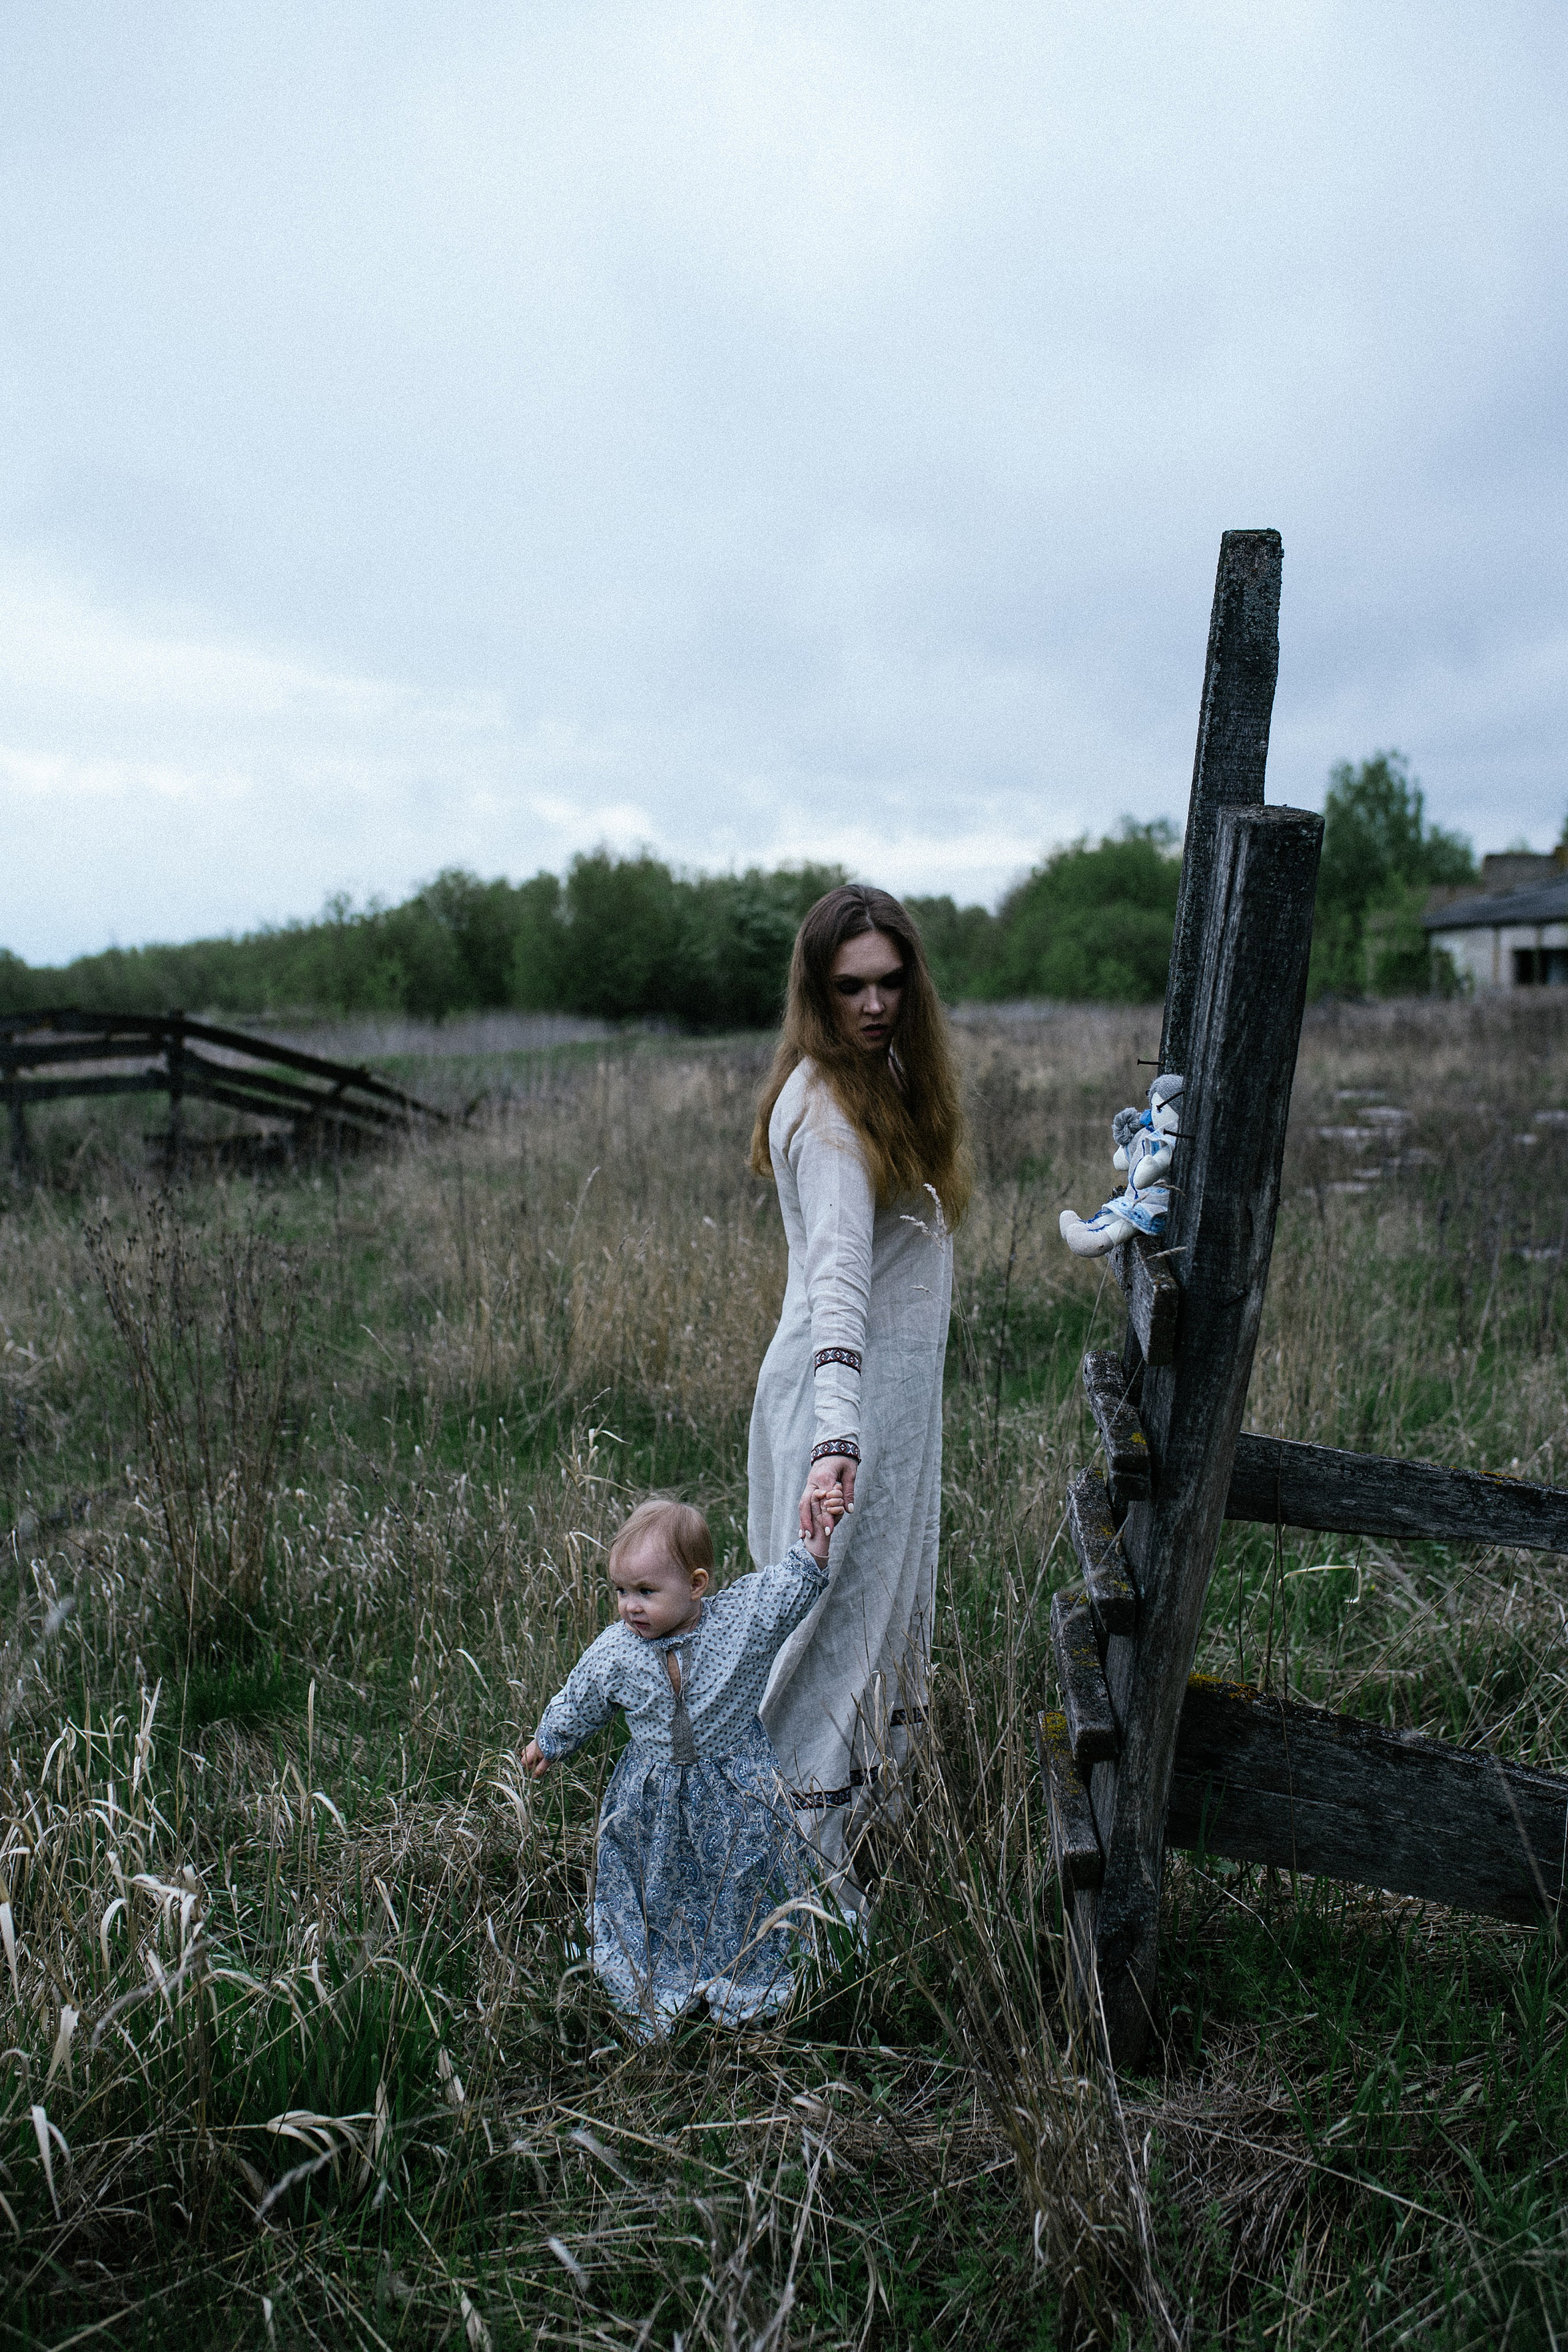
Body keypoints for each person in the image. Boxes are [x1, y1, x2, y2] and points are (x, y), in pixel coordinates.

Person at [747, 883, 971, 1898]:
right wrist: (838, 1441)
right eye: (851, 988)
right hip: (840, 1419)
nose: (874, 1005)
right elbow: (838, 1280)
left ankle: (839, 1856)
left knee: (869, 1627)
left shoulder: (879, 1079)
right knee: (819, 1643)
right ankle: (786, 1888)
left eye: (890, 983)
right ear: (817, 991)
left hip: (880, 1414)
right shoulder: (832, 1111)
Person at [519, 1492, 839, 2035]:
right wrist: (551, 1740)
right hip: (652, 1798)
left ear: (695, 1584)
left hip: (736, 1789)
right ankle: (662, 1968)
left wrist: (815, 1547)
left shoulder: (738, 1622)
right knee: (655, 1882)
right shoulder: (616, 1651)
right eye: (621, 1591)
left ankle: (748, 1967)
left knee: (743, 1876)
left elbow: (782, 1592)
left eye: (646, 1591)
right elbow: (584, 1696)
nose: (629, 1606)